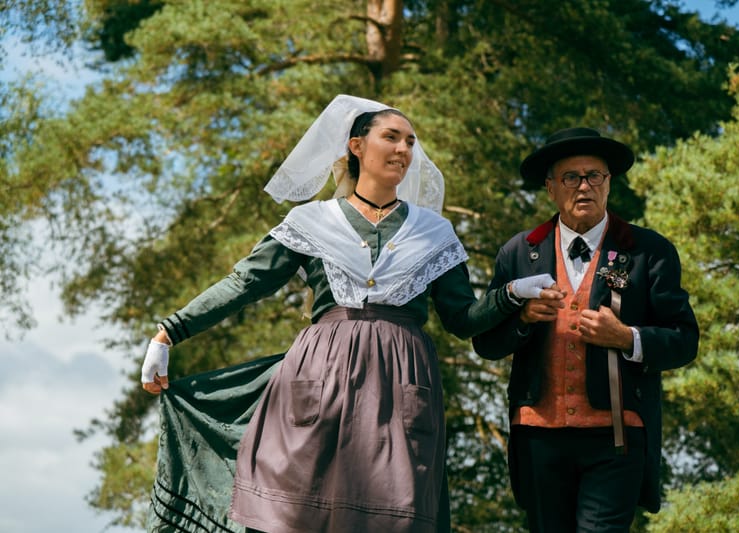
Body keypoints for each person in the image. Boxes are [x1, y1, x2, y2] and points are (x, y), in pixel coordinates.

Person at [140, 94, 554, 533]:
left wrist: (510, 295)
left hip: (402, 387)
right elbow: (244, 283)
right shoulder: (311, 222)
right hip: (315, 380)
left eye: (411, 142)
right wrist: (168, 333)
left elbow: (461, 319)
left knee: (394, 516)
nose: (404, 150)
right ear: (356, 146)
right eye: (391, 137)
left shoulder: (434, 232)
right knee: (298, 511)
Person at [472, 127, 699, 533]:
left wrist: (628, 339)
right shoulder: (518, 252)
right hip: (537, 435)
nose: (584, 186)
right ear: (550, 189)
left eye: (594, 175)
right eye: (570, 177)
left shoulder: (649, 250)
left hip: (616, 437)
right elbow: (486, 342)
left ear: (608, 183)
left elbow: (685, 339)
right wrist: (522, 320)